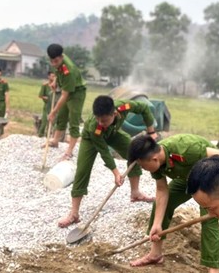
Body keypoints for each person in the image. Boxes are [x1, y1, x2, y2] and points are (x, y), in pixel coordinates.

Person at [127, 134, 219, 273]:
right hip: (187, 179)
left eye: (143, 166)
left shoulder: (187, 149)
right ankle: (155, 254)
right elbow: (162, 191)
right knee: (162, 205)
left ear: (154, 158)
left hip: (209, 181)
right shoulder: (156, 162)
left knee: (209, 223)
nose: (145, 169)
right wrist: (157, 224)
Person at [58, 95, 156, 228]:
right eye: (97, 118)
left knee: (134, 153)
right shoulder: (95, 127)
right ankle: (74, 214)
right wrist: (115, 172)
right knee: (82, 171)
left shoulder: (124, 107)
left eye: (103, 120)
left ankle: (135, 193)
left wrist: (151, 132)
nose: (100, 122)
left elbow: (144, 108)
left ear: (114, 113)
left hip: (113, 133)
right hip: (91, 139)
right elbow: (104, 151)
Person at [46, 44, 87, 161]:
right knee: (61, 116)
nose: (53, 63)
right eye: (51, 61)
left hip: (77, 93)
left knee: (73, 120)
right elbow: (58, 72)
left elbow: (64, 95)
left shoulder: (69, 70)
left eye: (56, 61)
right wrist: (55, 81)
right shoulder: (58, 59)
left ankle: (69, 152)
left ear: (61, 57)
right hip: (68, 90)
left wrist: (53, 112)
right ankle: (55, 141)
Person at [38, 71, 60, 137]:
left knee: (53, 123)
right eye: (52, 76)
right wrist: (47, 98)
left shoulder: (57, 86)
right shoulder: (45, 85)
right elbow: (40, 95)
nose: (53, 78)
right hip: (47, 106)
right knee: (44, 122)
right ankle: (40, 135)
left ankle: (50, 136)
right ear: (49, 76)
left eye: (54, 76)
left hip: (55, 107)